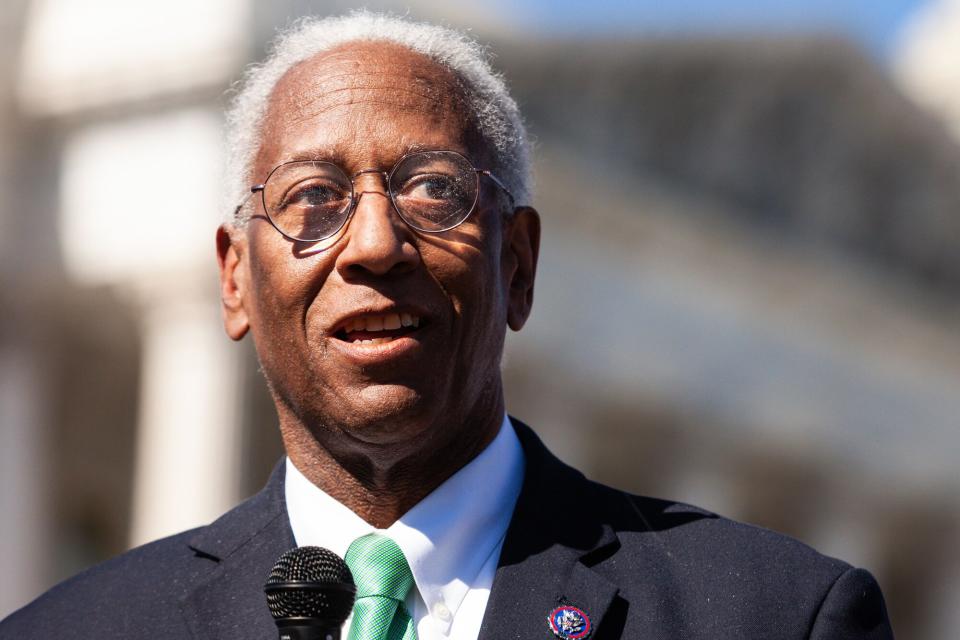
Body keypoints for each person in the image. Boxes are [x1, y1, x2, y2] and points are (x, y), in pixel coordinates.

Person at [1, 11, 893, 640]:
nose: (376, 244)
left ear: (518, 266)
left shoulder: (774, 616)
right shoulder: (73, 632)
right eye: (313, 199)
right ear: (234, 279)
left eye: (435, 189)